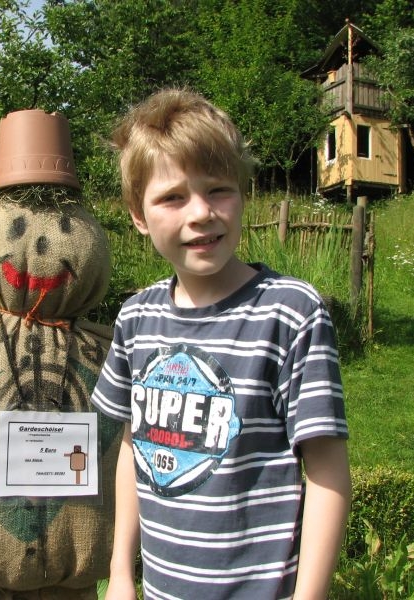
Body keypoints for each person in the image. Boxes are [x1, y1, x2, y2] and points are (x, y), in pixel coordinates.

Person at [90, 88, 351, 600]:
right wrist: (120, 572)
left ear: (243, 194)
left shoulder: (289, 313)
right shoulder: (136, 318)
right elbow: (132, 446)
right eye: (172, 197)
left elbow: (327, 470)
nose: (201, 213)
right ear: (138, 215)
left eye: (219, 190)